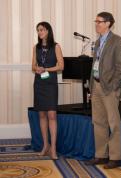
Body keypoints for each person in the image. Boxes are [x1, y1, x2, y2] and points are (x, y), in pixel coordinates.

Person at [85, 12, 121, 169]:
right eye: (95, 21)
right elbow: (95, 65)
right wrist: (91, 85)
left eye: (99, 22)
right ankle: (101, 155)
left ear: (108, 23)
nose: (96, 24)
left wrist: (114, 85)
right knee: (98, 122)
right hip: (96, 85)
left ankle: (116, 157)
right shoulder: (97, 42)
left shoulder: (117, 41)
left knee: (113, 122)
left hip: (109, 87)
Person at [32, 21, 64, 160]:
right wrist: (37, 68)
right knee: (42, 115)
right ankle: (45, 145)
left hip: (50, 83)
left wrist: (46, 69)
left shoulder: (56, 46)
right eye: (38, 30)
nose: (40, 32)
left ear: (48, 31)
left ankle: (54, 147)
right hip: (39, 83)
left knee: (52, 115)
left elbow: (61, 66)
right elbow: (33, 66)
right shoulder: (36, 47)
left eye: (42, 30)